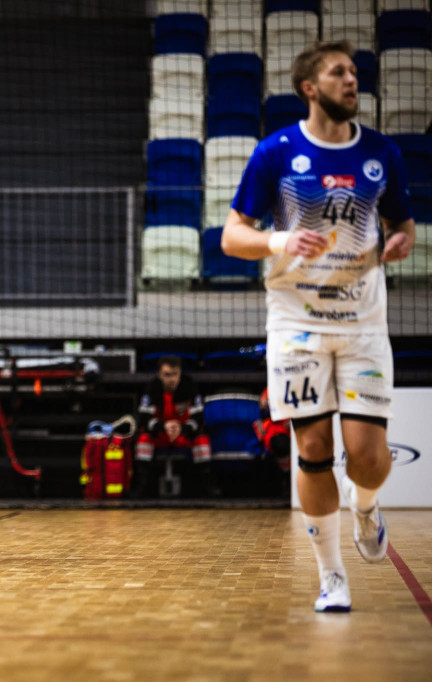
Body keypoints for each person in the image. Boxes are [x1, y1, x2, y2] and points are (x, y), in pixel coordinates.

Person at [221, 40, 415, 613]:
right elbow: (233, 236)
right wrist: (279, 239)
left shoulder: (381, 154)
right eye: (338, 73)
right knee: (311, 446)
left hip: (362, 324)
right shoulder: (276, 153)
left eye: (354, 72)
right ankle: (332, 577)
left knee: (369, 457)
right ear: (310, 87)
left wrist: (402, 239)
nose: (352, 81)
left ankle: (365, 507)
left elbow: (401, 222)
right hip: (296, 323)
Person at [132, 356, 214, 499]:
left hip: (183, 434)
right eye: (167, 375)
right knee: (143, 439)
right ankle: (141, 488)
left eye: (175, 374)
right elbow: (144, 419)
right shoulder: (152, 388)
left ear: (180, 373)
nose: (172, 379)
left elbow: (198, 418)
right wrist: (164, 426)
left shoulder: (189, 386)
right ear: (159, 375)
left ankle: (206, 488)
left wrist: (182, 428)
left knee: (202, 440)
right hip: (160, 435)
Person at [254, 388, 291, 497]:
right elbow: (263, 411)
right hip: (274, 427)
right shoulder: (270, 389)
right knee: (280, 443)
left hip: (295, 423)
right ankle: (286, 479)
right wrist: (263, 404)